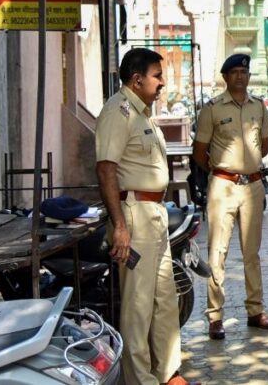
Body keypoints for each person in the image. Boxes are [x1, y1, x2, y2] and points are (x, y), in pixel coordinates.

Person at [95, 48, 198, 385]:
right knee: (138, 305)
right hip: (134, 215)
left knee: (164, 299)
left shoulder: (144, 113)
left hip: (154, 214)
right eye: (157, 76)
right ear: (137, 80)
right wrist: (120, 227)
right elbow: (106, 169)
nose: (162, 83)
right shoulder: (119, 112)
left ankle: (168, 373)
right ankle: (140, 379)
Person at [192, 54, 268, 340]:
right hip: (223, 186)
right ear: (225, 77)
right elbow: (199, 152)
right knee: (218, 252)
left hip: (253, 186)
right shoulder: (212, 109)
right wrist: (222, 172)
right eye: (235, 72)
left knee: (252, 253)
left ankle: (256, 311)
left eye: (244, 71)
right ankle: (215, 317)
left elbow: (263, 146)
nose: (240, 76)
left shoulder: (258, 106)